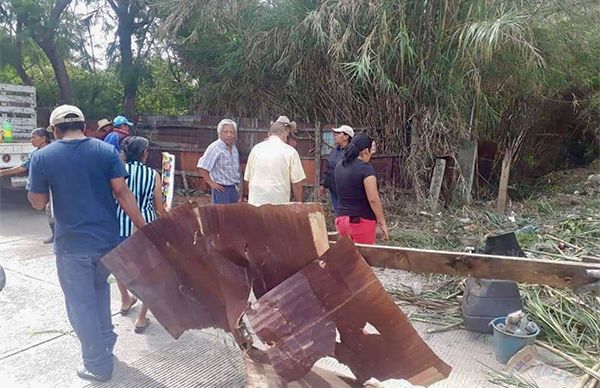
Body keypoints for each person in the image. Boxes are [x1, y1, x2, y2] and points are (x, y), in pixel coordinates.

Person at [26, 105, 146, 383]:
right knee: (100, 291)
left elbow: (38, 203)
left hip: (72, 247)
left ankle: (97, 363)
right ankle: (106, 341)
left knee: (80, 305)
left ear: (54, 130)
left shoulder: (43, 157)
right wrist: (144, 227)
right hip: (107, 243)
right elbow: (122, 191)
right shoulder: (106, 150)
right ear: (83, 125)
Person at [117, 136, 167, 333]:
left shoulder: (117, 172)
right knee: (148, 273)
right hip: (145, 227)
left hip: (120, 224)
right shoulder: (152, 175)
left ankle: (125, 300)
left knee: (120, 266)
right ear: (144, 153)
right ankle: (142, 317)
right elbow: (159, 207)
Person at [1, 128, 55, 243]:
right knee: (50, 210)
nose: (31, 140)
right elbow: (23, 167)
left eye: (33, 137)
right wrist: (3, 172)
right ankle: (56, 234)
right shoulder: (36, 153)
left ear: (43, 138)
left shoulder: (53, 151)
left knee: (53, 210)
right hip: (48, 187)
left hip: (57, 186)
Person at [334, 133, 389, 244]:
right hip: (361, 222)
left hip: (341, 220)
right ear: (365, 151)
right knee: (363, 258)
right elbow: (373, 198)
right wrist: (382, 221)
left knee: (344, 257)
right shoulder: (365, 169)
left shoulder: (340, 166)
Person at [243, 119, 306, 205]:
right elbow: (297, 182)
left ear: (269, 134)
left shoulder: (256, 149)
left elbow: (247, 178)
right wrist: (299, 203)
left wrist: (245, 196)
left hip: (255, 201)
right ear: (285, 133)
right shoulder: (290, 152)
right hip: (278, 202)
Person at [197, 119, 241, 204]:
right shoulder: (215, 147)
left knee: (233, 215)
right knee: (220, 216)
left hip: (233, 188)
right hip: (221, 190)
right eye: (225, 132)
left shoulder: (234, 147)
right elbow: (202, 167)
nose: (229, 135)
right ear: (220, 133)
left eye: (231, 132)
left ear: (235, 134)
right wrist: (211, 183)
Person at [319, 125, 354, 215]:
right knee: (338, 213)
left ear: (346, 137)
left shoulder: (352, 153)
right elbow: (329, 168)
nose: (335, 135)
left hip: (346, 190)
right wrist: (323, 184)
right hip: (333, 189)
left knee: (346, 214)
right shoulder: (335, 151)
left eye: (338, 133)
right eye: (335, 133)